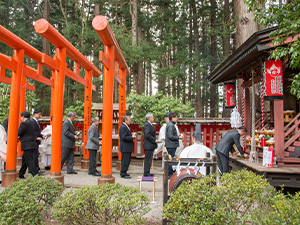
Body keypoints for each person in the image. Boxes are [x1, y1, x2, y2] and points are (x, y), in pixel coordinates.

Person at [18, 111, 38, 178]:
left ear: (23, 116)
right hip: (32, 144)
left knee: (29, 160)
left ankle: (35, 175)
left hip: (27, 145)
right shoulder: (31, 123)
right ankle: (21, 174)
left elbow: (19, 132)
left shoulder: (24, 124)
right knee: (25, 160)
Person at [32, 109, 47, 174]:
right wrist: (36, 138)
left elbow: (37, 132)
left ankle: (35, 168)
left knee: (35, 155)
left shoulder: (36, 122)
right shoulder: (32, 122)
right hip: (34, 141)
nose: (40, 116)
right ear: (35, 114)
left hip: (37, 141)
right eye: (39, 114)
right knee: (34, 156)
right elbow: (31, 132)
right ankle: (35, 169)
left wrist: (42, 135)